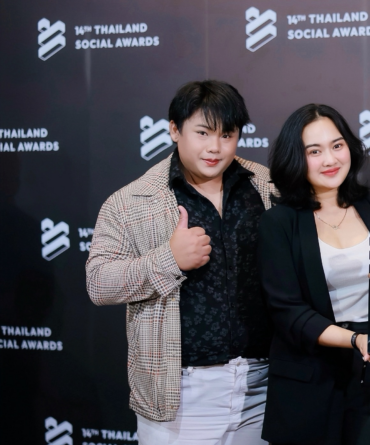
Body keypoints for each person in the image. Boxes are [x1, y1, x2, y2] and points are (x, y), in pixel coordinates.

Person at [86, 80, 274, 444]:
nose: (215, 147)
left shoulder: (267, 186)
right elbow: (98, 283)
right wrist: (168, 260)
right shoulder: (130, 201)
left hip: (263, 387)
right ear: (175, 130)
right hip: (180, 395)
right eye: (202, 133)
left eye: (227, 135)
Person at [258, 104, 370, 445]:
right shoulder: (279, 222)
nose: (330, 159)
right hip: (309, 381)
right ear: (295, 158)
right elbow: (287, 312)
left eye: (337, 145)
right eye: (314, 151)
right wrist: (356, 340)